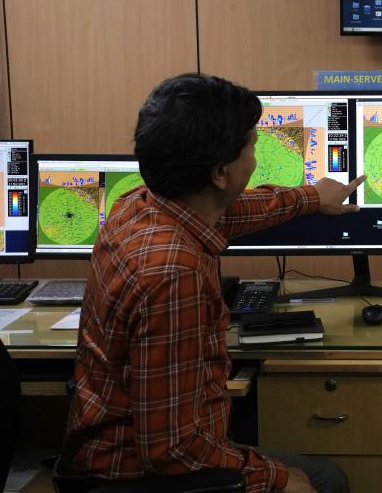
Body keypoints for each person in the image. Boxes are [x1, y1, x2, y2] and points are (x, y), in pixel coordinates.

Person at [63, 74, 361, 493]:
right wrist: (275, 478)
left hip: (120, 445)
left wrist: (312, 197)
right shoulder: (172, 273)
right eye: (253, 146)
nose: (255, 159)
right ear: (221, 172)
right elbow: (172, 450)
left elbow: (232, 211)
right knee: (324, 479)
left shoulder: (138, 205)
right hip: (135, 473)